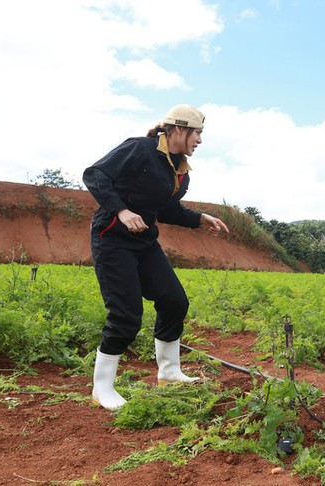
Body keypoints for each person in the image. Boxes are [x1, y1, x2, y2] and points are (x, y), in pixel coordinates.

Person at [83, 104, 229, 411]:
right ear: (178, 129)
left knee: (174, 301)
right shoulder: (139, 149)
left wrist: (199, 217)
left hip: (145, 242)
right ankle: (102, 388)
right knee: (126, 315)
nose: (200, 140)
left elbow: (166, 210)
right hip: (112, 238)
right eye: (197, 132)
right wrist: (121, 210)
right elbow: (95, 174)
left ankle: (169, 372)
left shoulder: (180, 172)